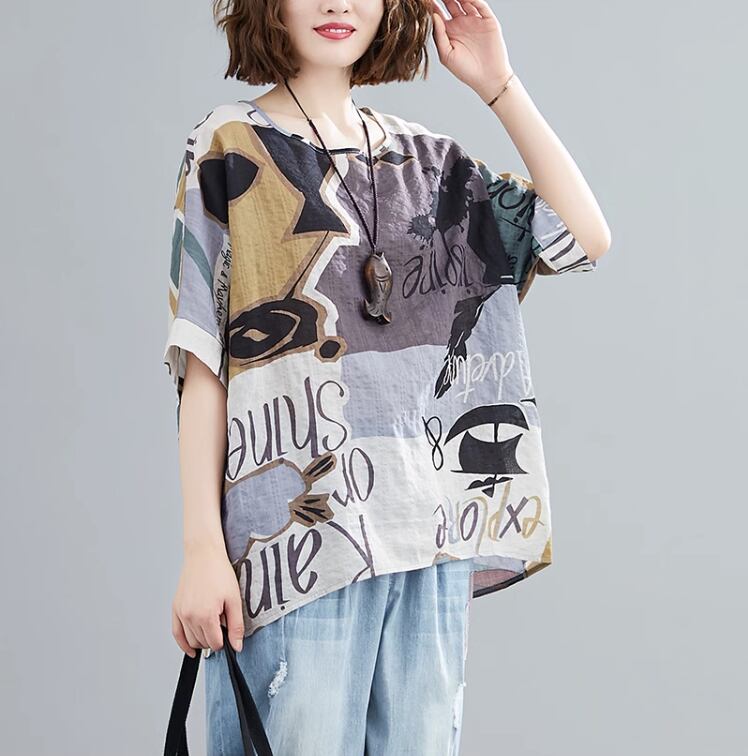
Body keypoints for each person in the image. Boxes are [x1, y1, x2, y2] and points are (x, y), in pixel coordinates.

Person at [162, 0, 612, 753]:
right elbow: (204, 360)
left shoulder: (432, 164)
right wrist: (202, 548)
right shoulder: (228, 145)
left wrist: (499, 86)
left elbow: (583, 237)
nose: (338, 4)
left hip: (426, 544)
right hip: (298, 552)